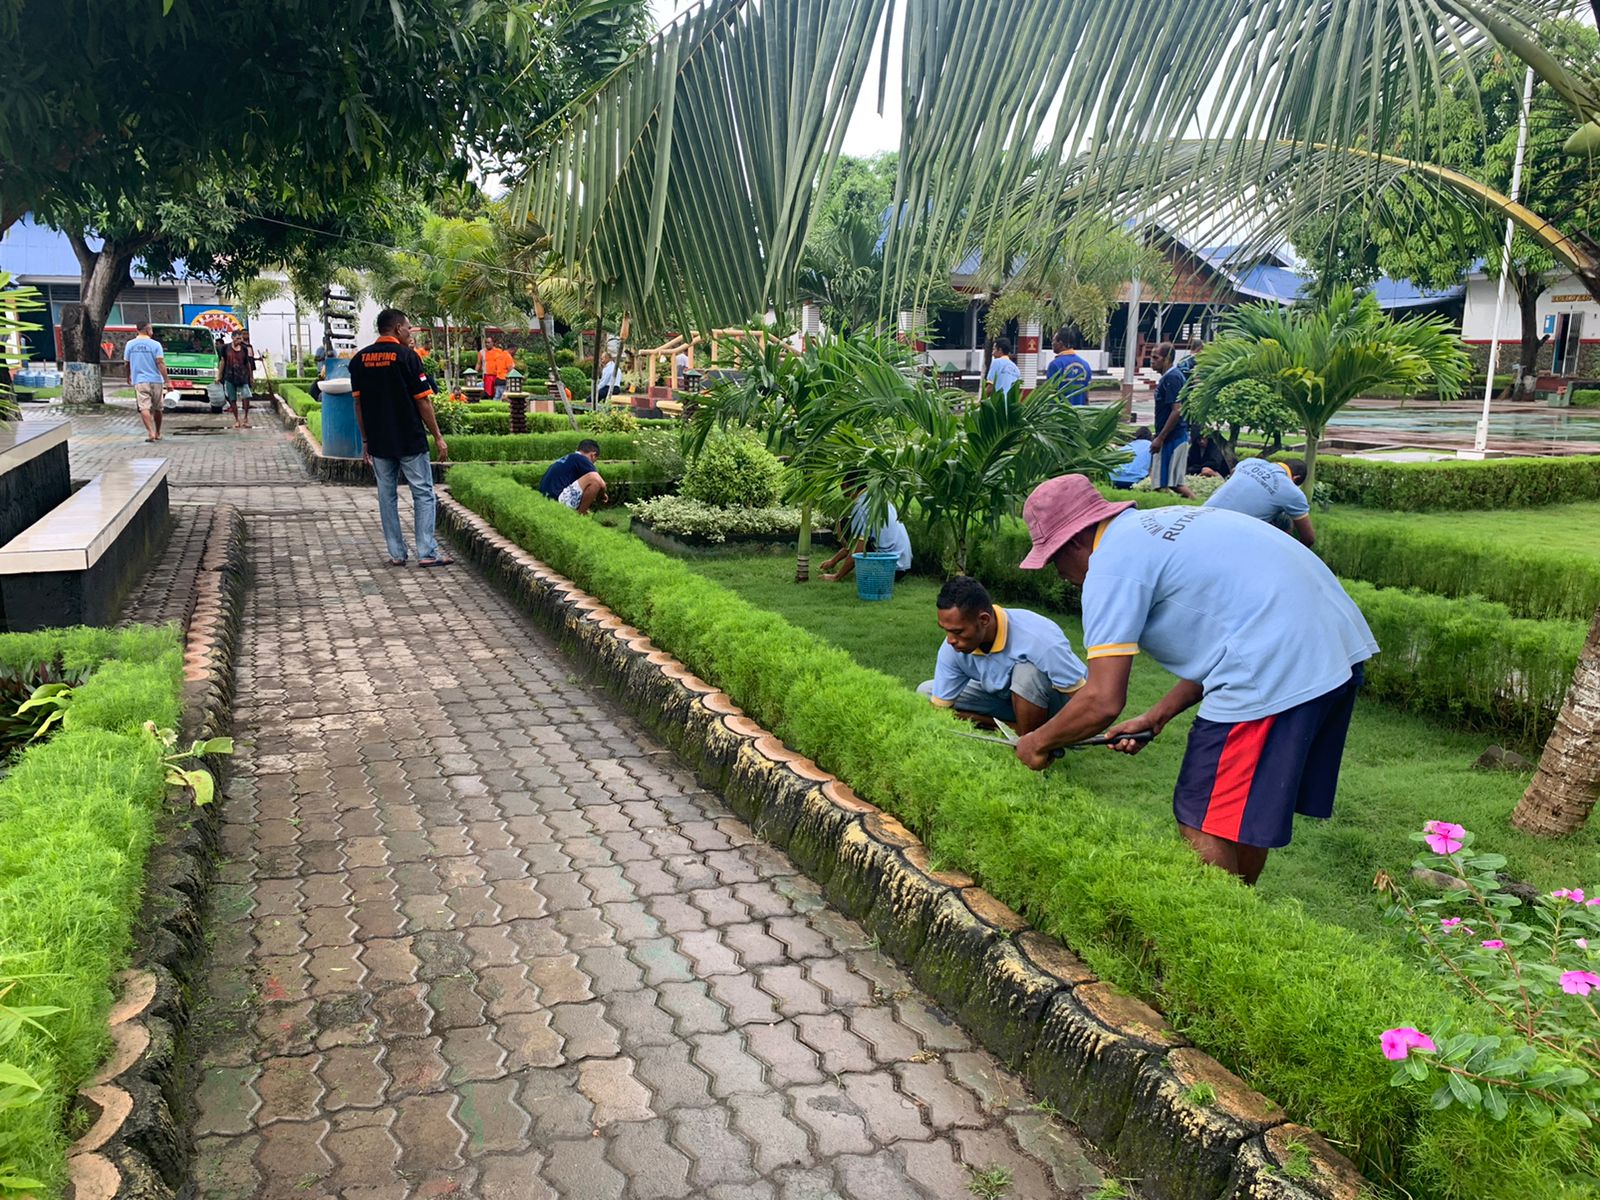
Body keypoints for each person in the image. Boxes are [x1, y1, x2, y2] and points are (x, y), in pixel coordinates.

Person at [1012, 474, 1377, 884]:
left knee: (1202, 816)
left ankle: (1219, 935)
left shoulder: (1110, 566)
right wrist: (1158, 715)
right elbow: (1229, 639)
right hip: (1337, 648)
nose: (1059, 573)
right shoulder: (1163, 523)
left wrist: (1036, 741)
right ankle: (1241, 916)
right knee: (1241, 815)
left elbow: (1101, 700)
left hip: (1275, 665)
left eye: (1054, 559)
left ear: (1074, 541)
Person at [916, 576, 1087, 735]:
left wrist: (1062, 733)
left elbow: (1084, 700)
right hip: (1008, 700)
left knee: (1027, 673)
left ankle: (1031, 739)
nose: (950, 640)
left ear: (983, 620)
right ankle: (1010, 727)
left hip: (1057, 705)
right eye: (945, 630)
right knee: (926, 692)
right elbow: (939, 709)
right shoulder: (952, 648)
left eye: (958, 631)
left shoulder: (1040, 639)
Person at [349, 308, 453, 568]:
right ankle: (427, 552)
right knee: (423, 493)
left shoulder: (359, 360)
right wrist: (438, 436)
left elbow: (358, 405)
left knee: (387, 495)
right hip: (409, 438)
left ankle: (396, 553)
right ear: (397, 329)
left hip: (379, 441)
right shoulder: (407, 357)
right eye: (408, 327)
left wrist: (365, 440)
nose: (410, 332)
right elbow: (423, 402)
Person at [820, 472, 913, 583]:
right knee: (854, 529)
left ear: (847, 486)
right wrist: (833, 561)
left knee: (844, 524)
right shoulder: (878, 496)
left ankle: (852, 572)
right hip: (903, 566)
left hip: (890, 569)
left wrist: (836, 576)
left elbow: (858, 548)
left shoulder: (861, 506)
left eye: (841, 485)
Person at [1209, 457, 1315, 545]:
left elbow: (1233, 472)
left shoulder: (1249, 462)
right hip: (1229, 536)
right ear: (1296, 478)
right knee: (1284, 519)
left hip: (1204, 515)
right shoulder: (1292, 491)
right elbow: (1308, 538)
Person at [1148, 342, 1194, 498]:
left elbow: (1177, 410)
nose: (1151, 360)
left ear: (1166, 359)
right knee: (1160, 482)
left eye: (1156, 357)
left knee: (1175, 483)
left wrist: (1160, 438)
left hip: (1173, 437)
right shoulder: (1169, 377)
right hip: (1169, 436)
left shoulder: (1172, 378)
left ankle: (1200, 508)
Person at [124, 321, 168, 443]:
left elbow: (127, 364)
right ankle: (158, 432)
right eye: (151, 329)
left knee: (144, 407)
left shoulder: (130, 344)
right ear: (148, 330)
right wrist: (167, 381)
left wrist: (128, 376)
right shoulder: (156, 345)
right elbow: (160, 363)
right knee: (158, 407)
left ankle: (150, 432)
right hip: (156, 380)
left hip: (140, 380)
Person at [539, 438, 607, 513]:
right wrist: (602, 496)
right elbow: (600, 482)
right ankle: (580, 516)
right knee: (594, 480)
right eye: (594, 461)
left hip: (545, 500)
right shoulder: (582, 459)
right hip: (557, 500)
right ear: (593, 455)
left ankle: (582, 511)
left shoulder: (570, 458)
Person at [217, 331, 258, 429]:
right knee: (232, 398)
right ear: (232, 338)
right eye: (237, 338)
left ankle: (246, 418)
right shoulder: (225, 348)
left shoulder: (244, 348)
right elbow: (222, 362)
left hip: (242, 376)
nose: (239, 341)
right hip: (230, 376)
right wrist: (219, 375)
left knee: (246, 396)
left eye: (240, 339)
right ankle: (236, 420)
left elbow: (247, 363)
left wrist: (251, 376)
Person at [1043, 332, 1093, 406]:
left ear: (1060, 343)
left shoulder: (1055, 364)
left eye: (1053, 340)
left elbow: (1050, 392)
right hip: (1079, 413)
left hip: (1060, 413)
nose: (1052, 343)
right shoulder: (1085, 365)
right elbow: (1086, 395)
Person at [479, 334, 514, 400]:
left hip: (497, 375)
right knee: (489, 393)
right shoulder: (482, 352)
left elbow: (504, 362)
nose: (487, 344)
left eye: (488, 342)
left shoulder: (499, 351)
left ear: (493, 343)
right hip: (488, 375)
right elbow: (478, 363)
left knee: (497, 393)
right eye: (486, 342)